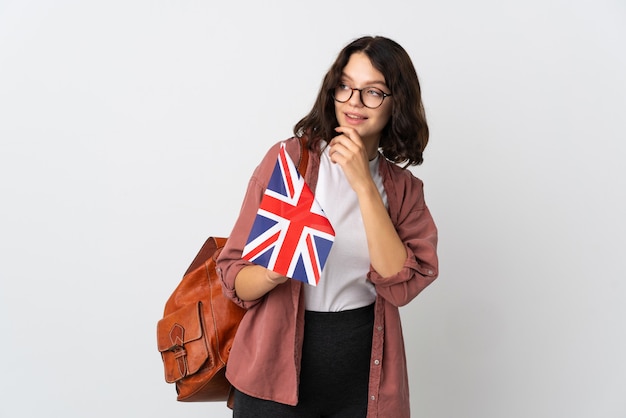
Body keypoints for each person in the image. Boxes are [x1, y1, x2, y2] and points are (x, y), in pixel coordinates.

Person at [216, 35, 439, 418]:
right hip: (273, 377)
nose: (354, 100)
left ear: (395, 103)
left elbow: (400, 285)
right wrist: (272, 272)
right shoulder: (291, 162)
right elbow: (233, 276)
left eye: (373, 92)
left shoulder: (403, 191)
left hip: (362, 382)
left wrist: (364, 184)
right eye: (345, 85)